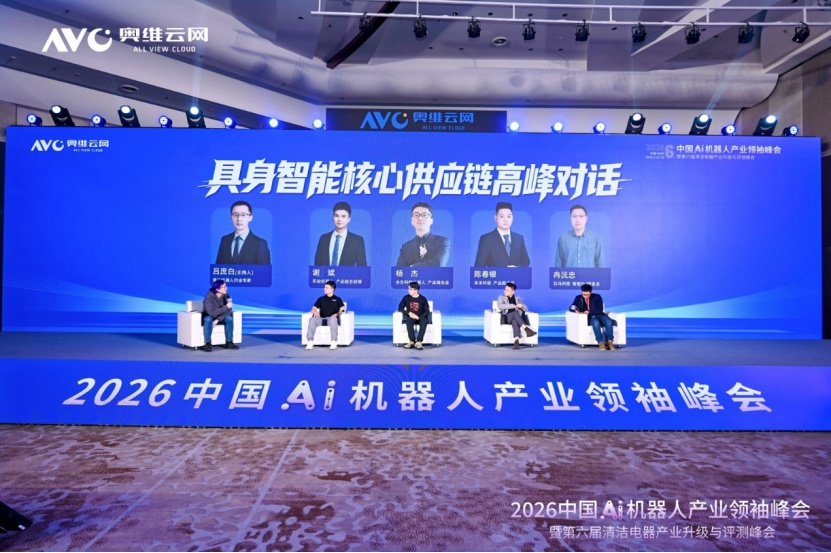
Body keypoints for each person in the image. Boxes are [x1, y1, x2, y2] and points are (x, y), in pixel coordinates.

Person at [215, 201, 271, 265]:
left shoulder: (260, 243)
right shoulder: (225, 240)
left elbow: (264, 270)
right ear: (231, 217)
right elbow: (218, 268)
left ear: (250, 217)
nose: (239, 219)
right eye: (235, 215)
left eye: (243, 215)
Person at [475, 202, 530, 267]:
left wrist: (517, 268)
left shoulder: (519, 238)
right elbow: (478, 267)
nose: (505, 220)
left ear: (512, 218)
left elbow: (526, 261)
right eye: (501, 216)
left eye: (508, 216)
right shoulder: (487, 239)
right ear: (496, 218)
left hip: (515, 274)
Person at [313, 202, 367, 266]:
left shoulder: (357, 241)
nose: (339, 219)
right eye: (336, 216)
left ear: (349, 219)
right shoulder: (324, 238)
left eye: (343, 216)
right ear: (333, 218)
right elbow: (317, 265)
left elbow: (362, 268)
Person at [396, 203, 450, 267]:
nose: (420, 218)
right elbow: (399, 270)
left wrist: (413, 267)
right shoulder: (405, 247)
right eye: (416, 215)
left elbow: (439, 264)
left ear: (431, 220)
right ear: (412, 221)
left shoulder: (442, 242)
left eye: (424, 215)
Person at [570, 283, 616, 350]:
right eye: (583, 294)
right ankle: (600, 343)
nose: (585, 296)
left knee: (608, 321)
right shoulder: (578, 298)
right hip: (589, 317)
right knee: (595, 322)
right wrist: (575, 310)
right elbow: (571, 307)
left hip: (599, 315)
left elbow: (600, 309)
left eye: (587, 294)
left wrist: (589, 311)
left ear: (590, 292)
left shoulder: (597, 297)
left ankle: (610, 342)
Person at [306, 280, 346, 350]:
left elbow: (342, 309)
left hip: (331, 319)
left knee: (333, 319)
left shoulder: (337, 299)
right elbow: (313, 308)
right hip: (321, 319)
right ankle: (310, 341)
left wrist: (337, 314)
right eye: (324, 287)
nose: (324, 289)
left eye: (327, 287)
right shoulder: (321, 299)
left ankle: (333, 341)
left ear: (332, 289)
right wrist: (315, 312)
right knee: (312, 319)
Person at [200, 279, 238, 352]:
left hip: (220, 317)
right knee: (208, 319)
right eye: (224, 287)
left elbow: (229, 310)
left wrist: (217, 320)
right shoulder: (208, 297)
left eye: (226, 286)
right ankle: (208, 343)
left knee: (229, 319)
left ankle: (229, 342)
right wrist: (226, 307)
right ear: (217, 289)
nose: (226, 288)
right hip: (208, 316)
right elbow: (211, 312)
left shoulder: (227, 296)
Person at [496, 282, 537, 349]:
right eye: (505, 289)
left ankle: (516, 341)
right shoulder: (501, 297)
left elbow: (526, 309)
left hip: (516, 318)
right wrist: (512, 306)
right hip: (506, 317)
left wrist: (522, 306)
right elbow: (500, 306)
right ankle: (526, 329)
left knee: (514, 321)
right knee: (515, 313)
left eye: (507, 290)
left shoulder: (517, 298)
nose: (505, 291)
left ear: (513, 292)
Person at [397, 281, 431, 349]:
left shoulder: (423, 299)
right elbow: (400, 308)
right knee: (409, 321)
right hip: (411, 317)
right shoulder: (406, 298)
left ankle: (419, 342)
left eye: (411, 289)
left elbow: (427, 311)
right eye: (408, 288)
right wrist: (409, 313)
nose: (409, 290)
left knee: (424, 321)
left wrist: (419, 317)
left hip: (421, 317)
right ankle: (411, 341)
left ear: (416, 290)